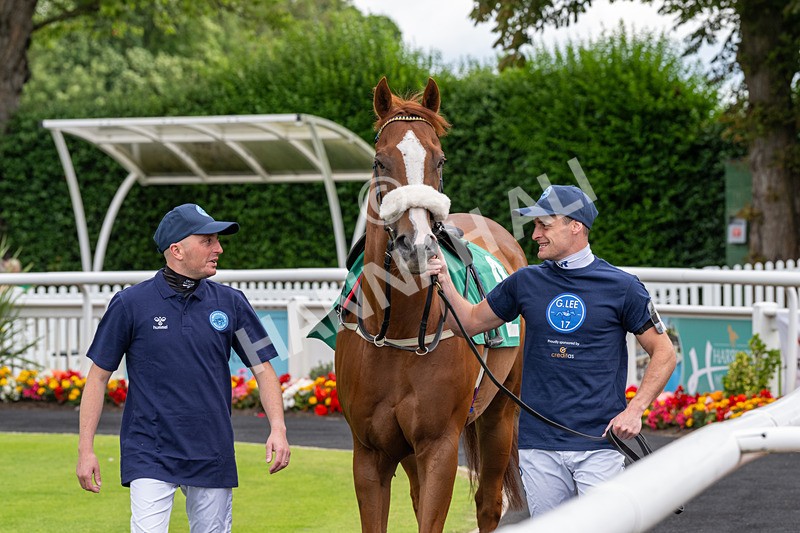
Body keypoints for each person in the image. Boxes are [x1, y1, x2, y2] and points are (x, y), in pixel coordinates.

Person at [426, 185, 676, 516]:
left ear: (576, 225)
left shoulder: (623, 287)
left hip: (599, 445)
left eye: (545, 224)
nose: (535, 235)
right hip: (538, 446)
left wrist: (636, 409)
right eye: (535, 226)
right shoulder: (525, 282)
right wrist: (444, 279)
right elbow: (469, 322)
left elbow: (664, 352)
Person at [76, 203, 291, 532]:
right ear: (176, 250)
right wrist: (85, 449)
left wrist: (278, 428)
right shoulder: (130, 304)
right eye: (207, 241)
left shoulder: (231, 303)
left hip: (212, 451)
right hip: (149, 450)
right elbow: (98, 377)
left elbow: (262, 369)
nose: (218, 248)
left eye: (217, 241)